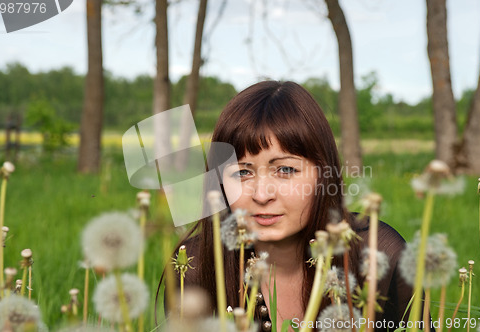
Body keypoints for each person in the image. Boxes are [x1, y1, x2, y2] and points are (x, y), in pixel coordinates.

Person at [161, 81, 420, 332]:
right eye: (241, 173)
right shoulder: (194, 267)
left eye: (285, 169)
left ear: (323, 174)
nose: (262, 195)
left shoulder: (378, 255)